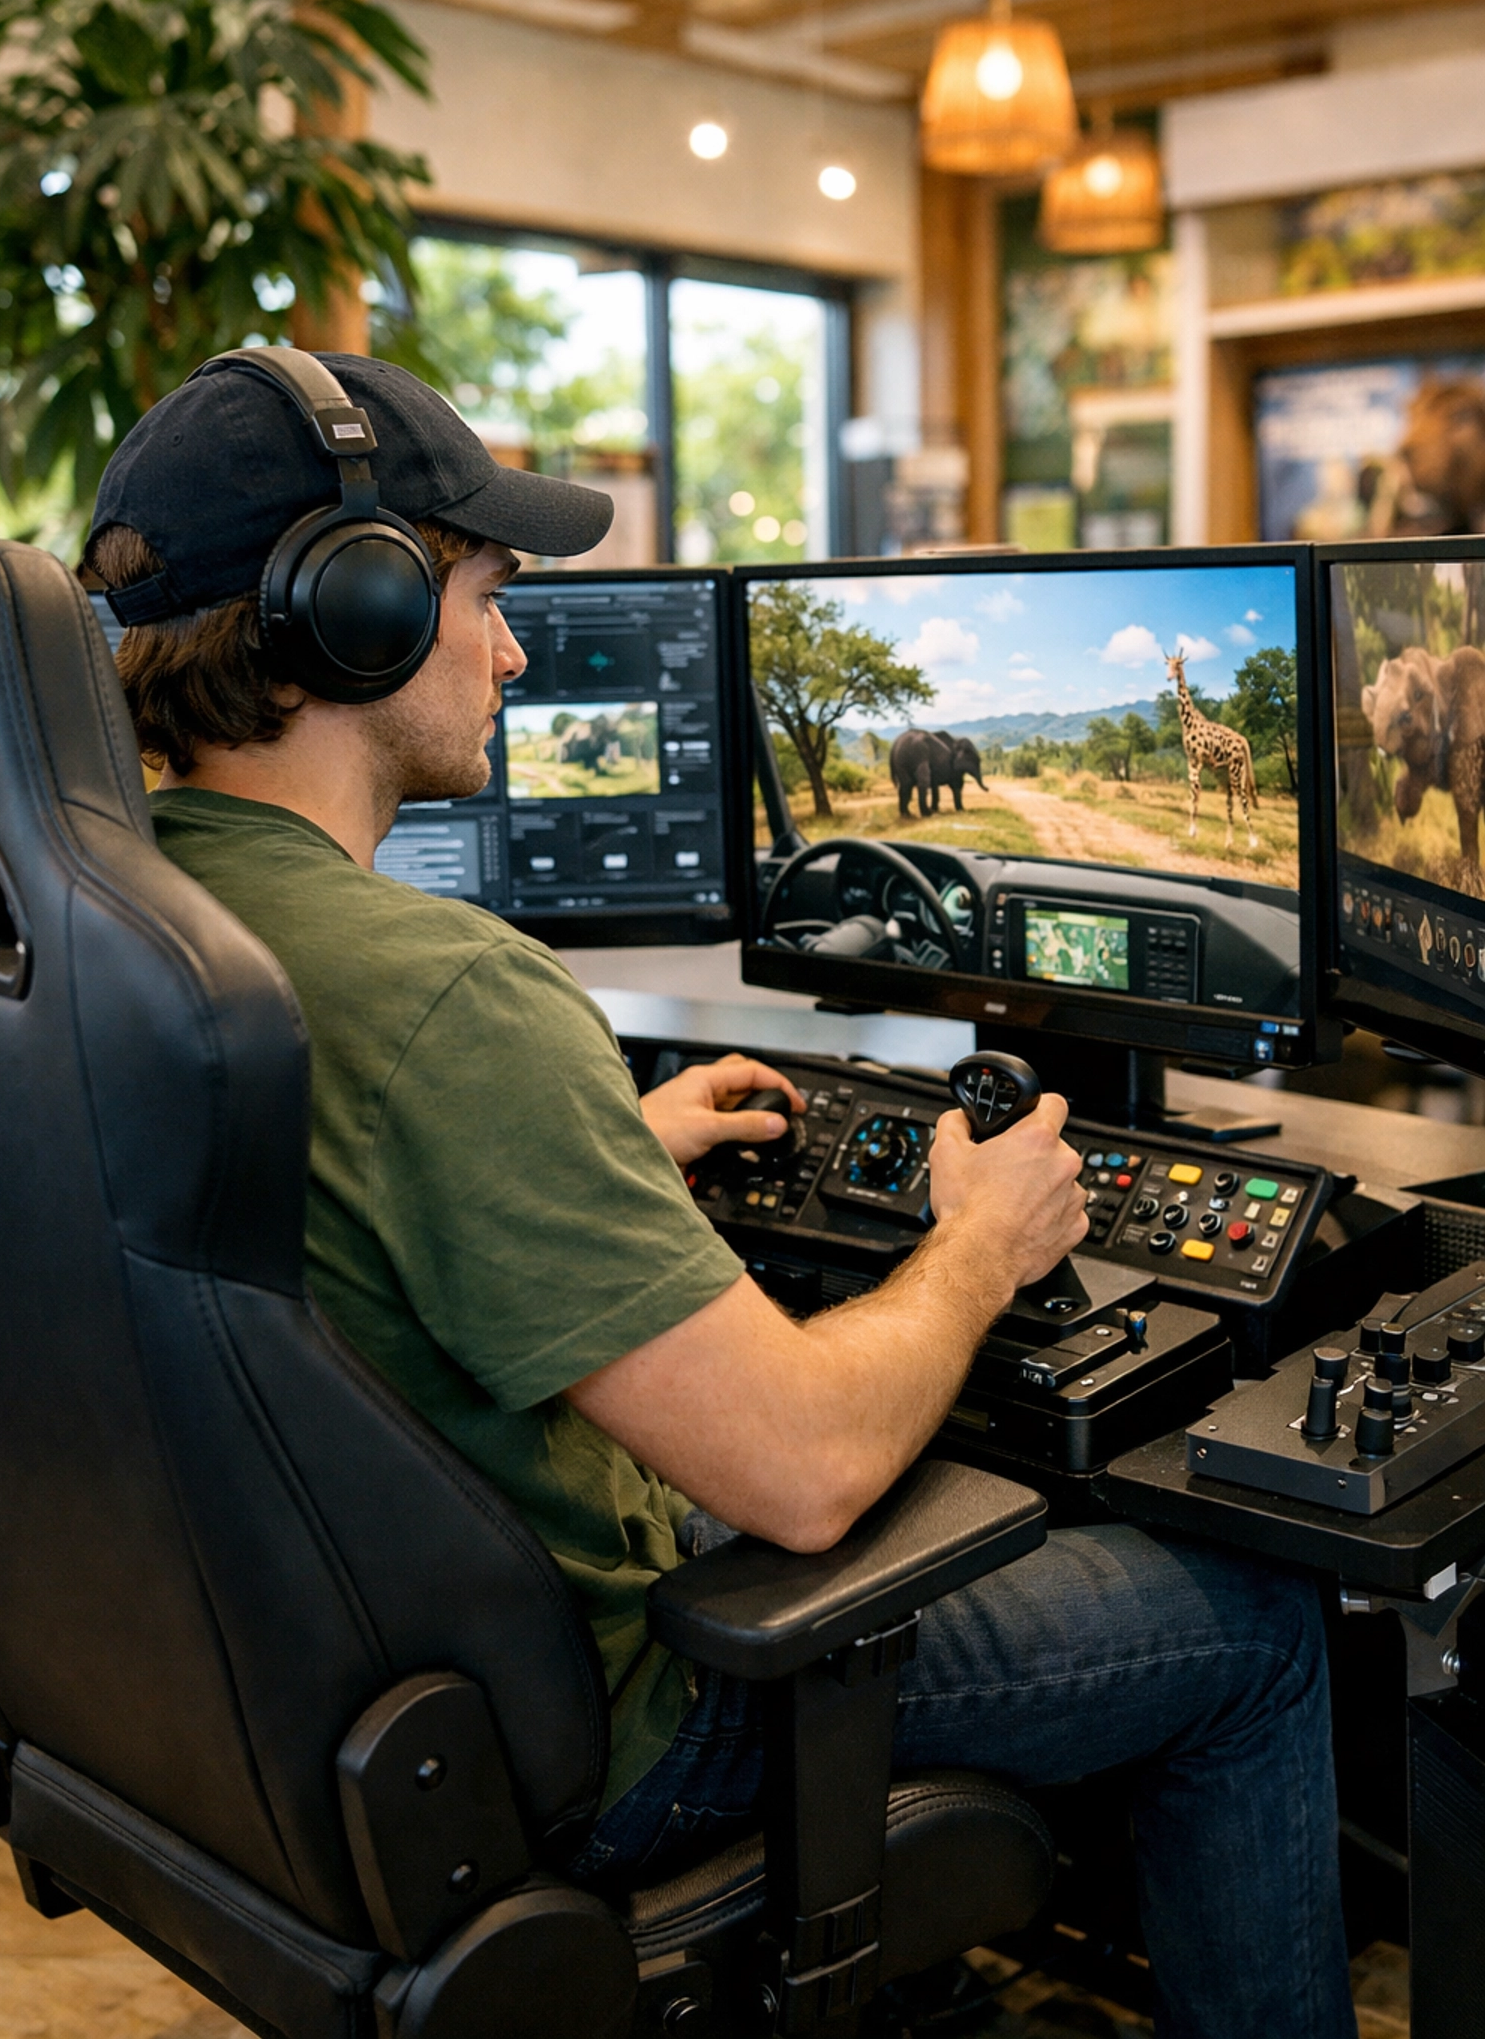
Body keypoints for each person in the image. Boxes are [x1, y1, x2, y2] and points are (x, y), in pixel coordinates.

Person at [82, 352, 1355, 2039]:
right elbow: (809, 1470)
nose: (517, 650)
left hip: (274, 1716)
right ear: (355, 609)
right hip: (606, 1729)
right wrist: (977, 1247)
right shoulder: (446, 997)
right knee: (1257, 1619)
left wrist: (600, 1148)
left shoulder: (101, 931)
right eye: (485, 594)